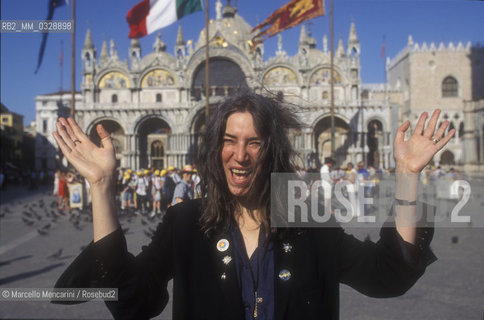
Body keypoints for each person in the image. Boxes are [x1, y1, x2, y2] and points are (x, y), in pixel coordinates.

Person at [52, 92, 454, 320]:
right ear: (215, 149)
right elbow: (133, 302)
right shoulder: (186, 223)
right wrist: (102, 187)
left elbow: (387, 276)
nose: (239, 155)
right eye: (229, 140)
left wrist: (406, 174)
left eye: (254, 142)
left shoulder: (307, 222)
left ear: (272, 151)